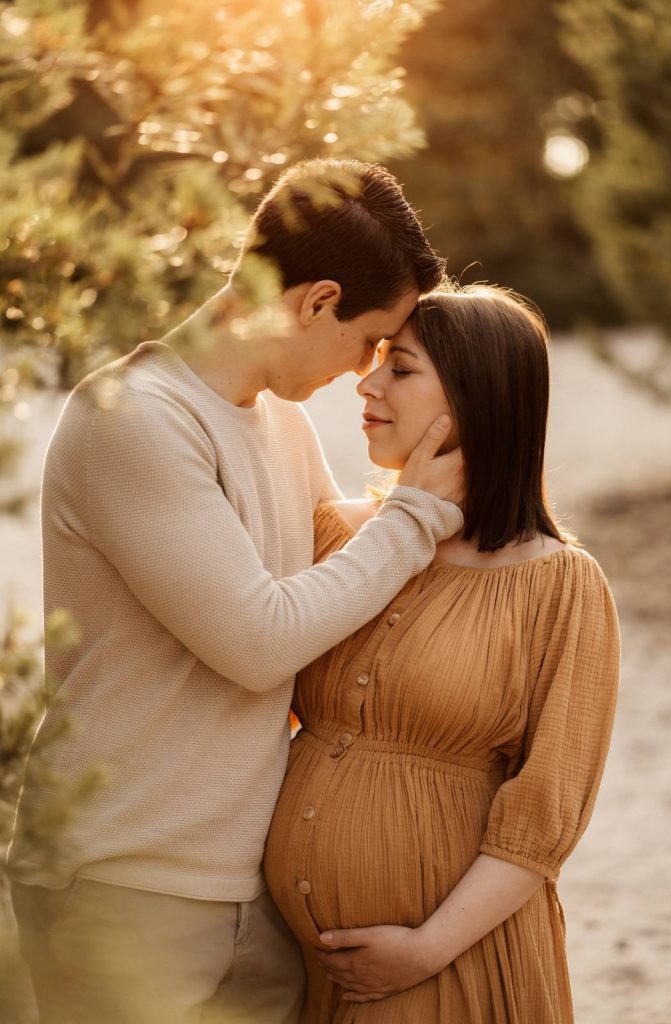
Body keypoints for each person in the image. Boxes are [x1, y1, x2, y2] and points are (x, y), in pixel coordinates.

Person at [7, 159, 466, 1024]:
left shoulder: (281, 422)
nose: (364, 370)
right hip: (124, 881)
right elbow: (259, 642)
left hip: (250, 883)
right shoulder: (131, 417)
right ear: (314, 301)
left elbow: (349, 590)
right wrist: (411, 519)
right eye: (370, 339)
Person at [264, 284, 620, 1023]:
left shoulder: (558, 586)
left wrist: (426, 947)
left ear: (475, 394)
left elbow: (545, 817)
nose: (366, 383)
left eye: (401, 369)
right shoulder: (335, 535)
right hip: (297, 973)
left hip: (446, 966)